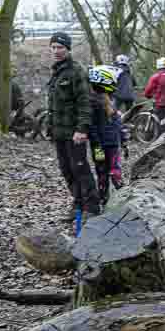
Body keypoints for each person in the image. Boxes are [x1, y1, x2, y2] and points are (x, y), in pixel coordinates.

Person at [47, 32, 101, 222]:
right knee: (66, 169)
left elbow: (84, 103)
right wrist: (50, 128)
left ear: (68, 49)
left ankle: (92, 206)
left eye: (60, 47)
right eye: (53, 47)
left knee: (80, 168)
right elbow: (54, 105)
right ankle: (78, 203)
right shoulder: (57, 72)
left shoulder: (76, 71)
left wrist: (82, 129)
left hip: (74, 132)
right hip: (59, 132)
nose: (56, 51)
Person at [87, 65, 124, 206]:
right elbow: (92, 127)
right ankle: (104, 198)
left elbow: (118, 124)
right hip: (100, 146)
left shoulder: (111, 101)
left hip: (113, 145)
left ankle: (122, 196)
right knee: (102, 173)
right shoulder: (93, 103)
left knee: (115, 171)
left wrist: (124, 140)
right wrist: (97, 145)